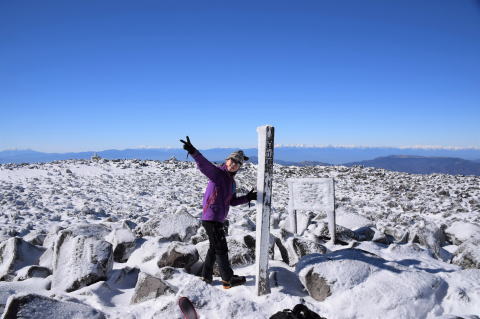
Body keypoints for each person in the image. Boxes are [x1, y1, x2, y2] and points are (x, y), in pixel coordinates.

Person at [180, 136, 257, 289]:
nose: (234, 164)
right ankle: (227, 279)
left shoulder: (231, 182)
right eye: (232, 161)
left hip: (217, 219)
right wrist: (193, 151)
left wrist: (247, 197)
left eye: (238, 163)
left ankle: (206, 276)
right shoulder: (218, 174)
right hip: (211, 218)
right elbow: (204, 165)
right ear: (227, 160)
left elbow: (232, 202)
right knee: (221, 248)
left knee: (214, 248)